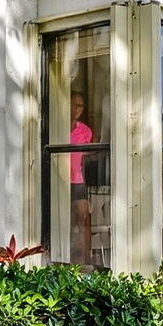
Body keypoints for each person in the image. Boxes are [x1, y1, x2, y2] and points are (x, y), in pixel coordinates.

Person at [69, 90, 95, 266]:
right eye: (74, 104)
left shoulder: (85, 131)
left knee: (82, 221)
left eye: (81, 106)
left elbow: (86, 157)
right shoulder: (56, 127)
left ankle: (83, 262)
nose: (77, 109)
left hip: (77, 180)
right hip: (58, 180)